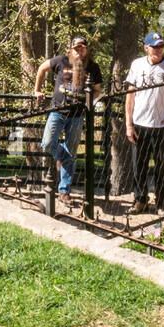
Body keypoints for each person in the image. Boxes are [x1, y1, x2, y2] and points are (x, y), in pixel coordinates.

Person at [34, 36, 102, 208]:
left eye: (82, 48)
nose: (79, 51)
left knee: (71, 149)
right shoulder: (61, 61)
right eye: (76, 48)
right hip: (57, 111)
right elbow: (42, 68)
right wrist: (37, 90)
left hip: (77, 115)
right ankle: (65, 157)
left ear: (86, 50)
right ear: (70, 49)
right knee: (48, 143)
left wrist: (90, 102)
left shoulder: (93, 67)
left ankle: (64, 191)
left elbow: (96, 91)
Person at [124, 32, 164, 214]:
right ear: (146, 47)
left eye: (161, 46)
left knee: (162, 167)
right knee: (138, 165)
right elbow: (130, 96)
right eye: (155, 46)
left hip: (161, 124)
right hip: (140, 123)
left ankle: (163, 204)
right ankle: (140, 200)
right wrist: (129, 125)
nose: (158, 49)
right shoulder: (137, 64)